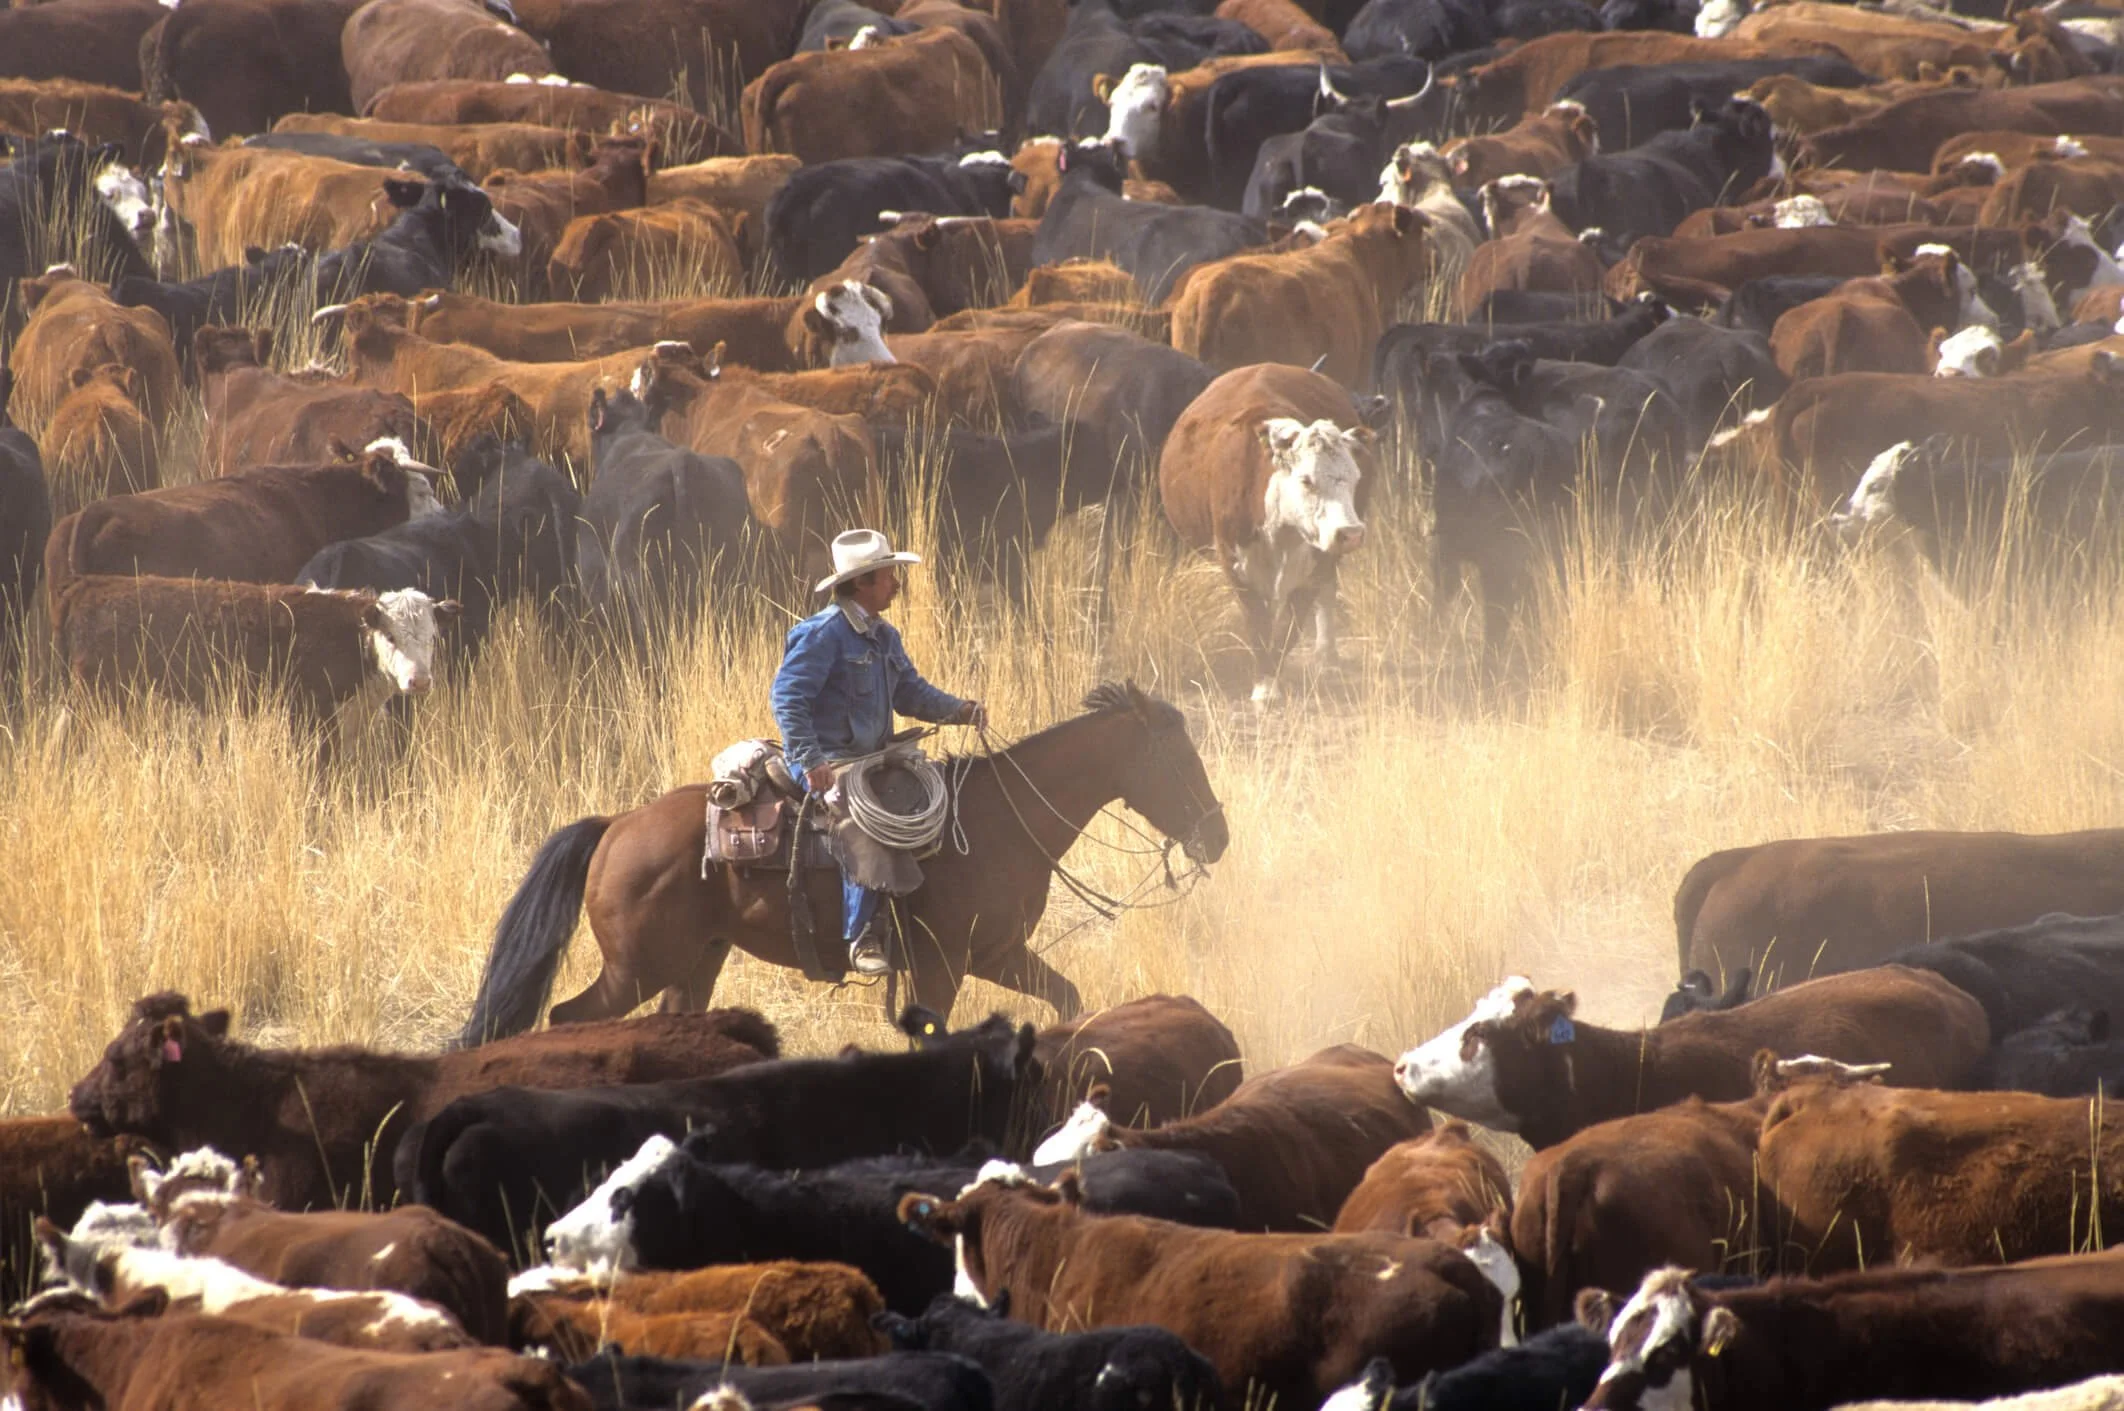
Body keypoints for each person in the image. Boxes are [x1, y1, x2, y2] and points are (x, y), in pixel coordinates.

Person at [770, 529, 985, 976]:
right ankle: (862, 932)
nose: (896, 583)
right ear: (863, 582)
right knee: (864, 819)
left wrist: (960, 710)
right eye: (889, 575)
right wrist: (812, 761)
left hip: (870, 759)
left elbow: (911, 694)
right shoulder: (822, 635)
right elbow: (788, 699)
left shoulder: (884, 636)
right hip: (829, 760)